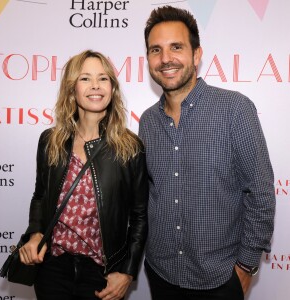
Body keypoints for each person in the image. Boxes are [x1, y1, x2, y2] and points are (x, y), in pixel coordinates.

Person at [139, 5, 275, 300]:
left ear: (196, 55)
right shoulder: (147, 121)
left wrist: (245, 267)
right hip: (161, 273)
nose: (165, 59)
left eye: (176, 47)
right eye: (155, 50)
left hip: (221, 280)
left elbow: (261, 194)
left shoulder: (235, 110)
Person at [19, 50, 148, 300]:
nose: (96, 86)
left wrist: (127, 271)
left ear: (112, 88)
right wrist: (35, 234)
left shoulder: (130, 147)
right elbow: (40, 196)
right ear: (72, 89)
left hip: (101, 274)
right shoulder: (51, 141)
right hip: (52, 268)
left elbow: (140, 216)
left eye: (103, 78)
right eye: (85, 78)